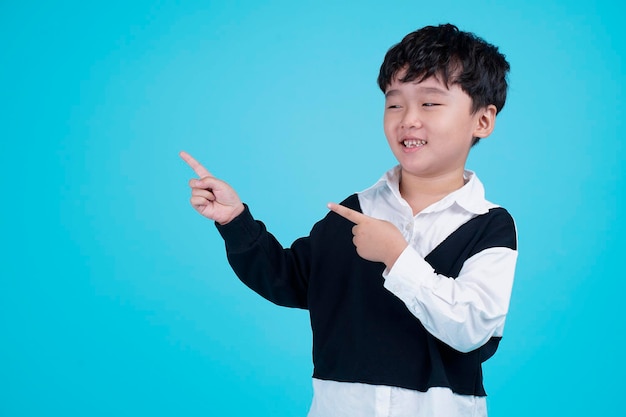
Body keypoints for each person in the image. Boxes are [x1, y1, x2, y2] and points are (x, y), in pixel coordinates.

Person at [181, 23, 517, 417]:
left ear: (482, 120)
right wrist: (235, 220)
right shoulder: (354, 212)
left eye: (430, 103)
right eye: (394, 103)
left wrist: (398, 257)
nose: (408, 119)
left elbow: (471, 330)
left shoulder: (489, 225)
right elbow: (288, 279)